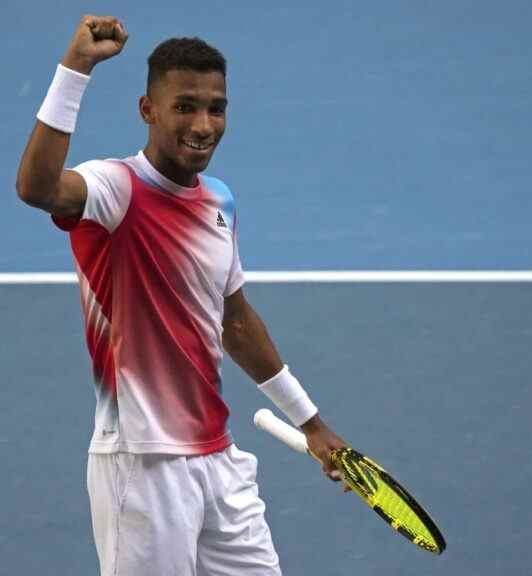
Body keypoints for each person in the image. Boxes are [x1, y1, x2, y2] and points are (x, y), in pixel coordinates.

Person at [16, 14, 347, 576]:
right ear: (148, 111)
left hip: (218, 457)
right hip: (141, 467)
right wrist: (76, 69)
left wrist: (310, 421)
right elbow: (37, 187)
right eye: (185, 105)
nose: (204, 123)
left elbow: (235, 320)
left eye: (216, 107)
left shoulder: (219, 203)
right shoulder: (113, 189)